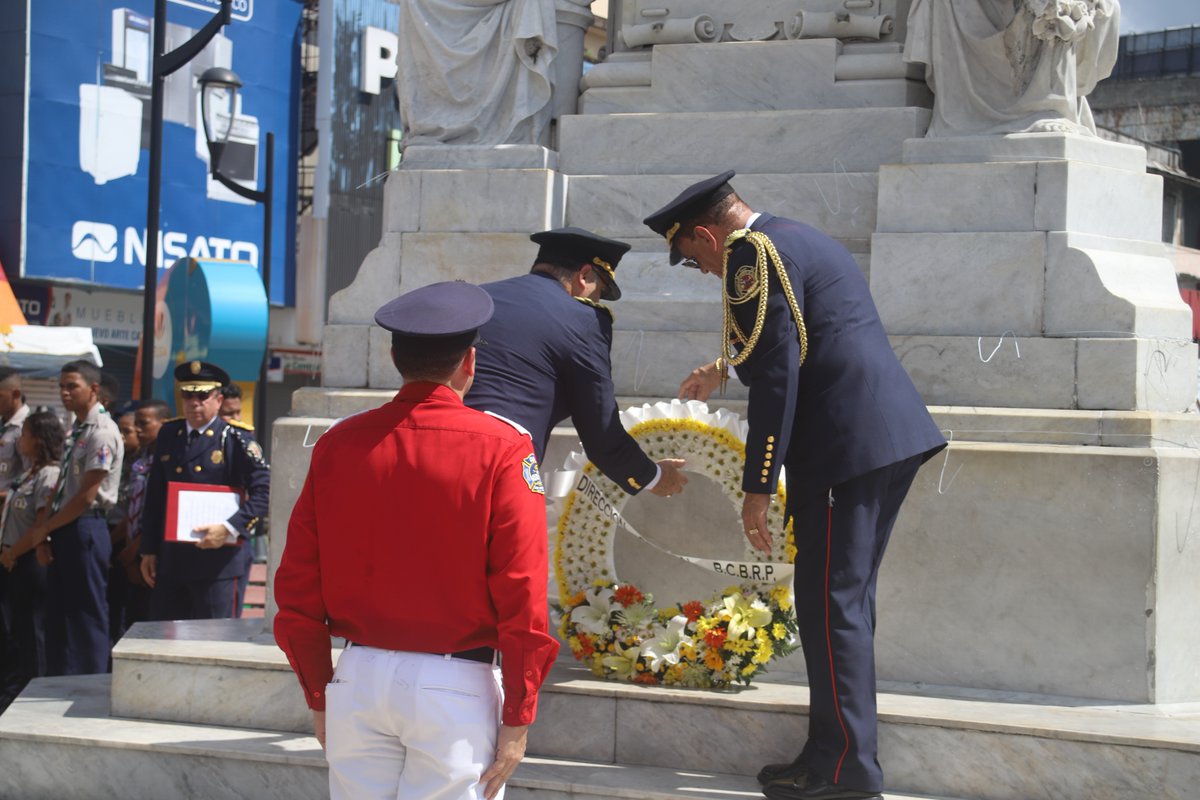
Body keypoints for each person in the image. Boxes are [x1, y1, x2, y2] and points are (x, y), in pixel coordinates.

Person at [644, 172, 947, 800]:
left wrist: (759, 484)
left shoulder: (750, 255)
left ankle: (847, 772)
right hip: (879, 437)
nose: (699, 269)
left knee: (832, 607)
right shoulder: (795, 236)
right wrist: (724, 365)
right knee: (839, 603)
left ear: (706, 233)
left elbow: (780, 372)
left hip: (843, 447)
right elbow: (807, 333)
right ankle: (830, 752)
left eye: (691, 255)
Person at [275, 281, 560, 800]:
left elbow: (296, 584)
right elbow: (522, 587)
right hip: (454, 685)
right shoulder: (503, 446)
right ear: (468, 362)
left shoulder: (338, 443)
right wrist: (520, 712)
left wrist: (319, 692)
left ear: (393, 357)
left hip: (358, 677)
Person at [465, 227, 687, 498]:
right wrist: (652, 477)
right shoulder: (584, 319)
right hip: (495, 468)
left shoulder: (477, 297)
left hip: (419, 448)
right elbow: (600, 432)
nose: (595, 301)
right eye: (599, 292)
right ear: (584, 276)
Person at [139, 361, 269, 621]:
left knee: (213, 641)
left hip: (218, 561)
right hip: (173, 560)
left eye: (202, 395)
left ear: (218, 400)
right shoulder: (169, 433)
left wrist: (231, 527)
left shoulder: (235, 438)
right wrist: (149, 550)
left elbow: (264, 490)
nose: (194, 402)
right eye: (187, 395)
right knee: (163, 639)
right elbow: (155, 496)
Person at [18, 360, 124, 675]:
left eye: (72, 386)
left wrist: (47, 527)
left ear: (93, 389)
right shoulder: (76, 428)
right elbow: (62, 485)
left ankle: (90, 683)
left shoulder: (102, 431)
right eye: (61, 386)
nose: (64, 393)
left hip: (87, 525)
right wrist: (43, 533)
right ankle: (57, 681)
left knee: (87, 613)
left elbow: (86, 495)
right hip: (64, 526)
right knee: (59, 612)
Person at [0, 411, 65, 705]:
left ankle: (34, 692)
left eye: (24, 435)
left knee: (33, 630)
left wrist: (14, 552)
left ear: (38, 439)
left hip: (28, 560)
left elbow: (41, 524)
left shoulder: (50, 474)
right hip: (12, 559)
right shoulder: (29, 472)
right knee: (18, 630)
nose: (20, 441)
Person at [110, 400, 169, 636]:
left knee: (149, 620)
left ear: (163, 424)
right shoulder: (141, 461)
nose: (138, 430)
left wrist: (136, 551)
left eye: (144, 424)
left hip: (150, 551)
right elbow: (133, 508)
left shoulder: (167, 460)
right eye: (136, 424)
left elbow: (159, 512)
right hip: (131, 548)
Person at [0, 368, 31, 500]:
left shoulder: (28, 428)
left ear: (16, 394)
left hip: (12, 509)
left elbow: (32, 476)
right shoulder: (4, 423)